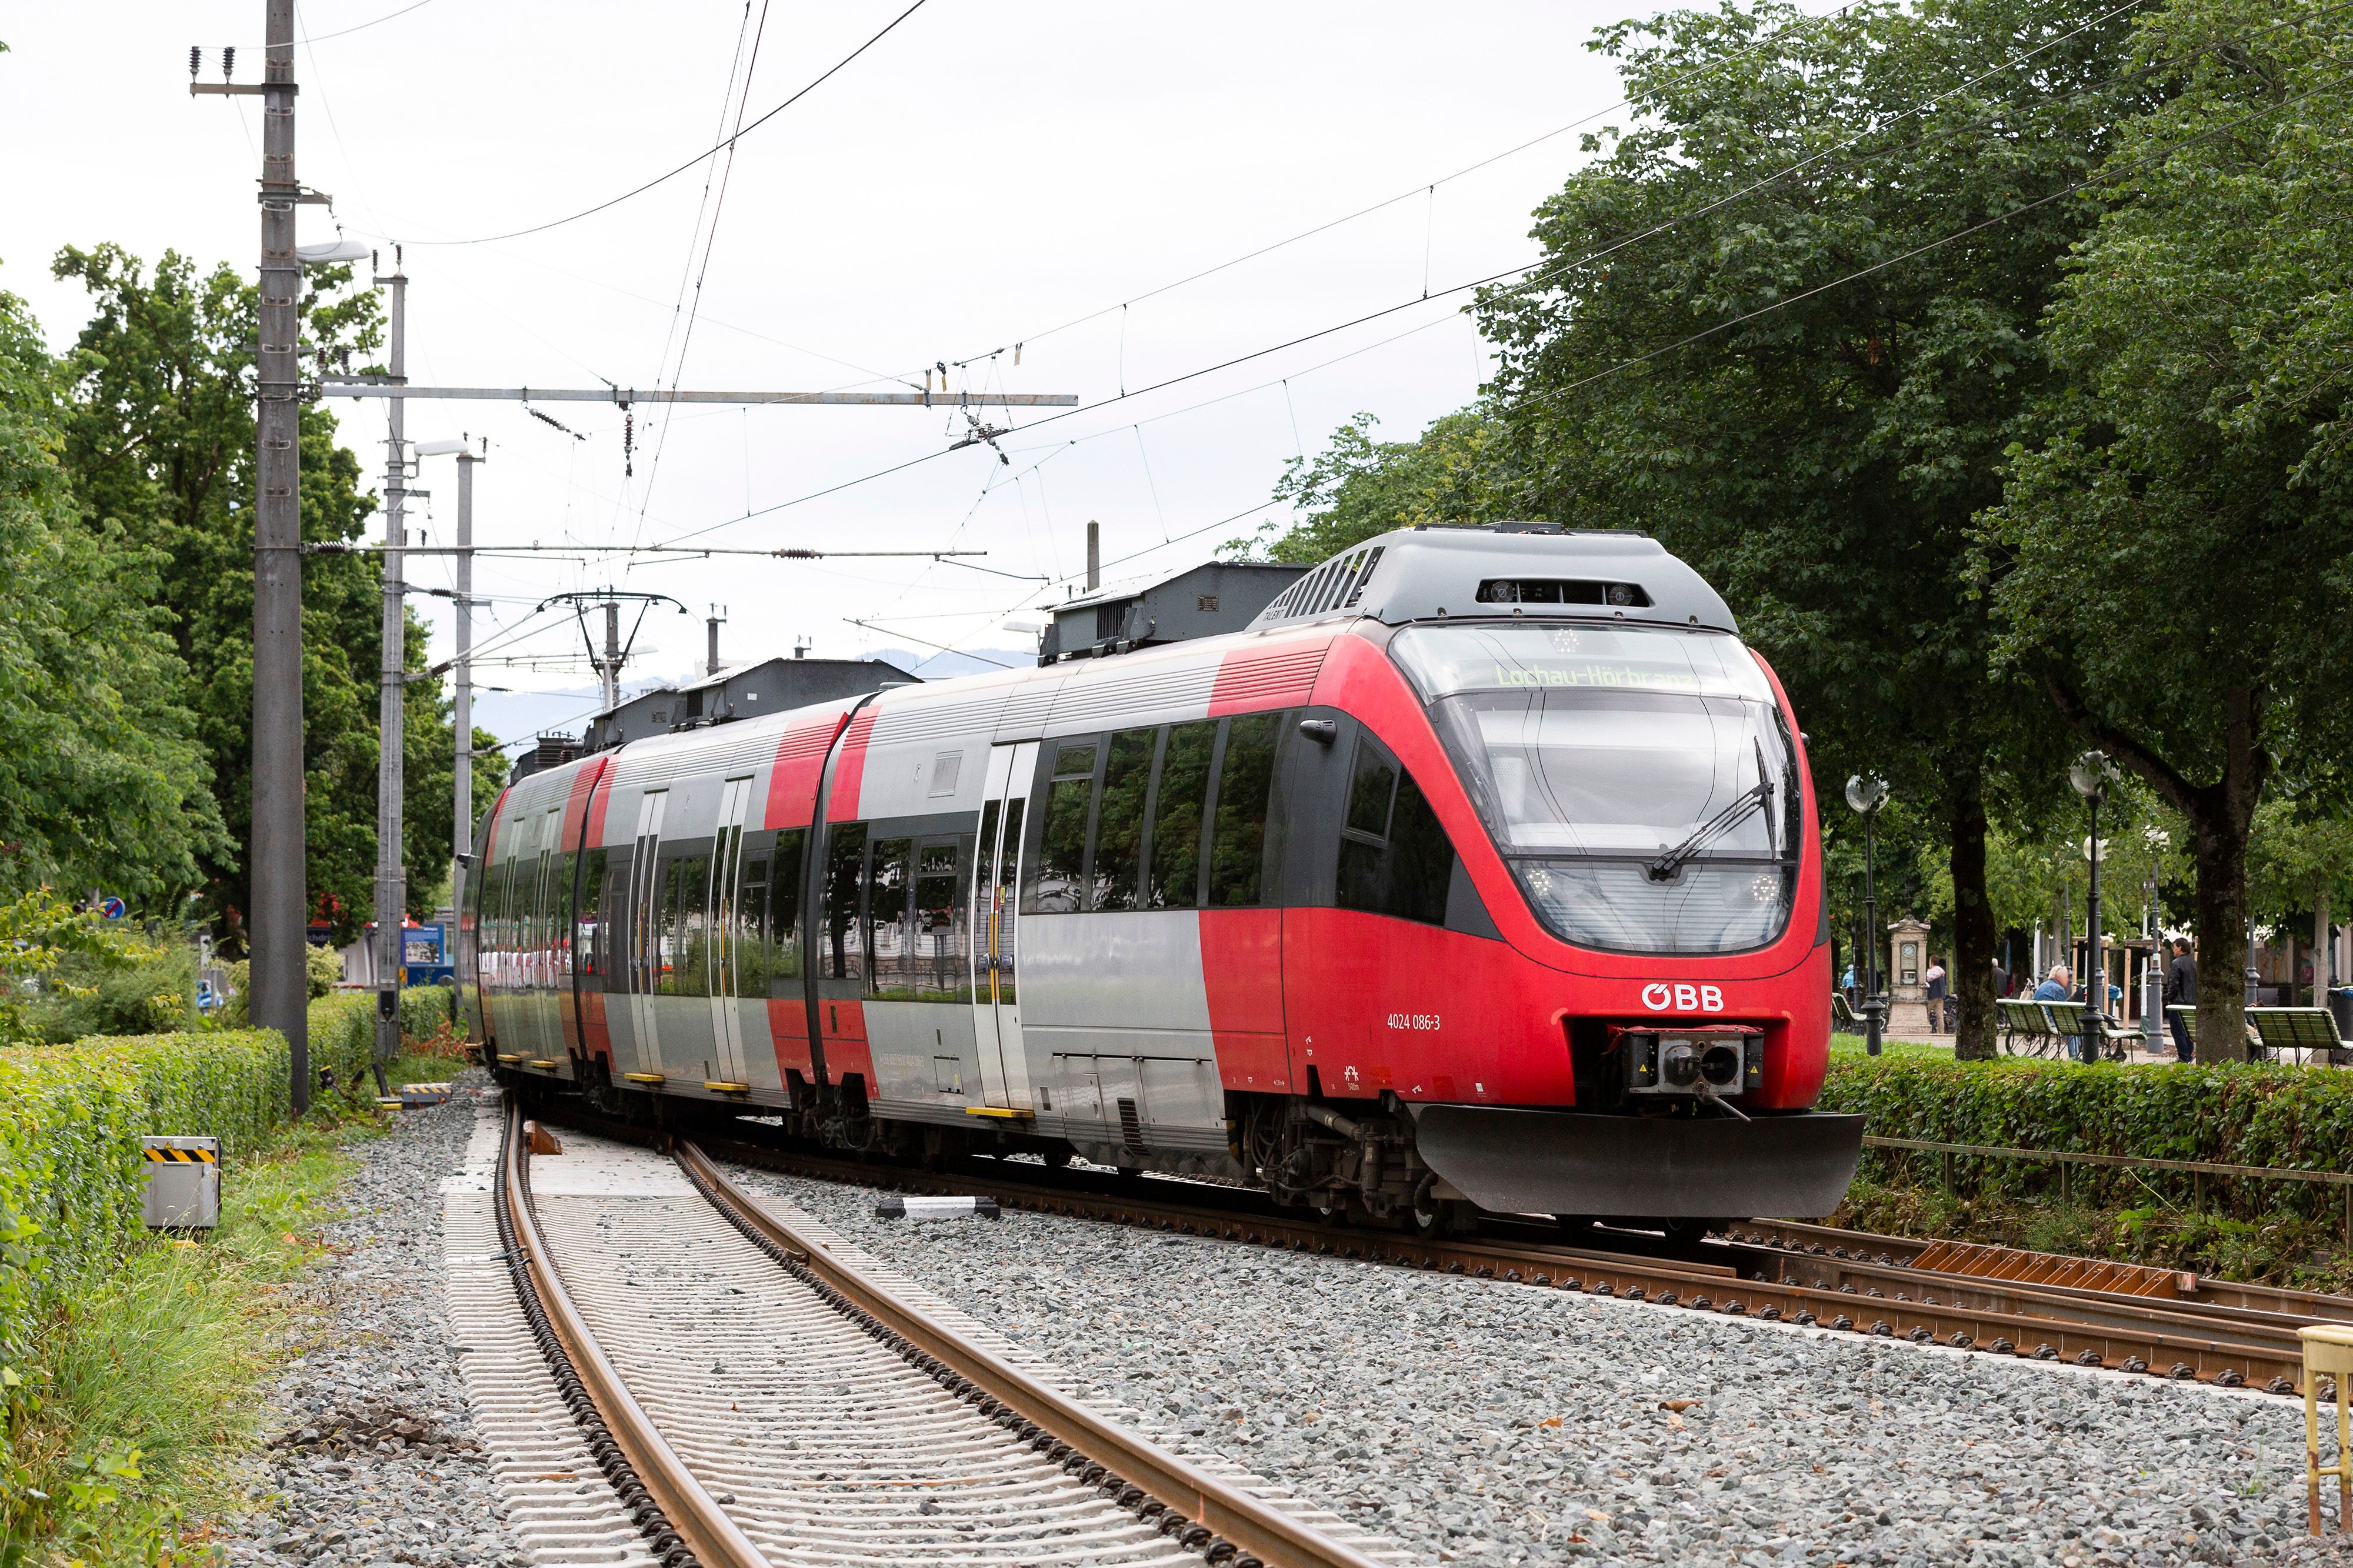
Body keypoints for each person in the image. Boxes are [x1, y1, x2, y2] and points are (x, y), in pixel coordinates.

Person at [2164, 938, 2196, 1063]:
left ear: (2180, 948)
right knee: (2188, 1030)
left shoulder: (2177, 963)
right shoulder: (2194, 963)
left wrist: (2169, 998)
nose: (2173, 950)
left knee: (2177, 1031)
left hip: (2179, 1003)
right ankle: (2188, 1055)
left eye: (2174, 947)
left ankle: (2183, 1057)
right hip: (2191, 1002)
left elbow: (2174, 984)